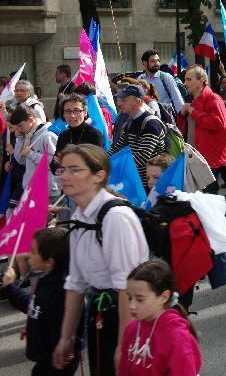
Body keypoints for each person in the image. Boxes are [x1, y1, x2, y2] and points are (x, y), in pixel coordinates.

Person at [52, 144, 149, 375]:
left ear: (99, 175)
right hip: (100, 310)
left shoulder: (116, 218)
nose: (64, 176)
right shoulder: (79, 215)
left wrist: (123, 346)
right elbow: (76, 283)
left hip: (129, 314)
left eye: (75, 170)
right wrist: (67, 337)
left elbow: (127, 287)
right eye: (63, 169)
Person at [1, 227, 81, 376]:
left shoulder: (63, 290)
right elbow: (31, 305)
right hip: (44, 361)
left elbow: (65, 331)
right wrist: (10, 287)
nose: (28, 255)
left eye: (33, 251)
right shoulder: (46, 280)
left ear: (49, 261)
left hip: (55, 364)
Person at [119, 260, 202, 376]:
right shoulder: (131, 328)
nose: (132, 305)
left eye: (140, 299)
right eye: (130, 298)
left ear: (164, 297)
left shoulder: (177, 337)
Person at [181, 66, 226, 197]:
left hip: (211, 156)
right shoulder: (194, 100)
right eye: (185, 79)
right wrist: (182, 114)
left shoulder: (213, 99)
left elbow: (219, 124)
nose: (185, 83)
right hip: (198, 154)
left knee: (210, 198)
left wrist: (194, 112)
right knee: (205, 197)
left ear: (201, 80)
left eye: (189, 79)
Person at [107, 85, 166, 190]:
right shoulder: (131, 122)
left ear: (138, 101)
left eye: (124, 100)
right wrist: (101, 160)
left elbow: (143, 156)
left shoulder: (151, 124)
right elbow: (117, 148)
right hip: (136, 182)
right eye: (119, 99)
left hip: (151, 184)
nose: (119, 103)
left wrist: (116, 166)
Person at [8, 105, 57, 201]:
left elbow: (54, 164)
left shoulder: (48, 135)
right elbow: (21, 160)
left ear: (30, 120)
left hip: (47, 191)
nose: (18, 130)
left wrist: (31, 155)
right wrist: (21, 138)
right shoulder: (27, 135)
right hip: (30, 190)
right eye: (16, 127)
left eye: (20, 126)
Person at [54, 94, 105, 163]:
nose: (72, 115)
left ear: (85, 112)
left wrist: (65, 161)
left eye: (77, 110)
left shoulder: (94, 135)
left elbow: (97, 163)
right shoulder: (63, 135)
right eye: (68, 111)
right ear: (63, 114)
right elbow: (53, 166)